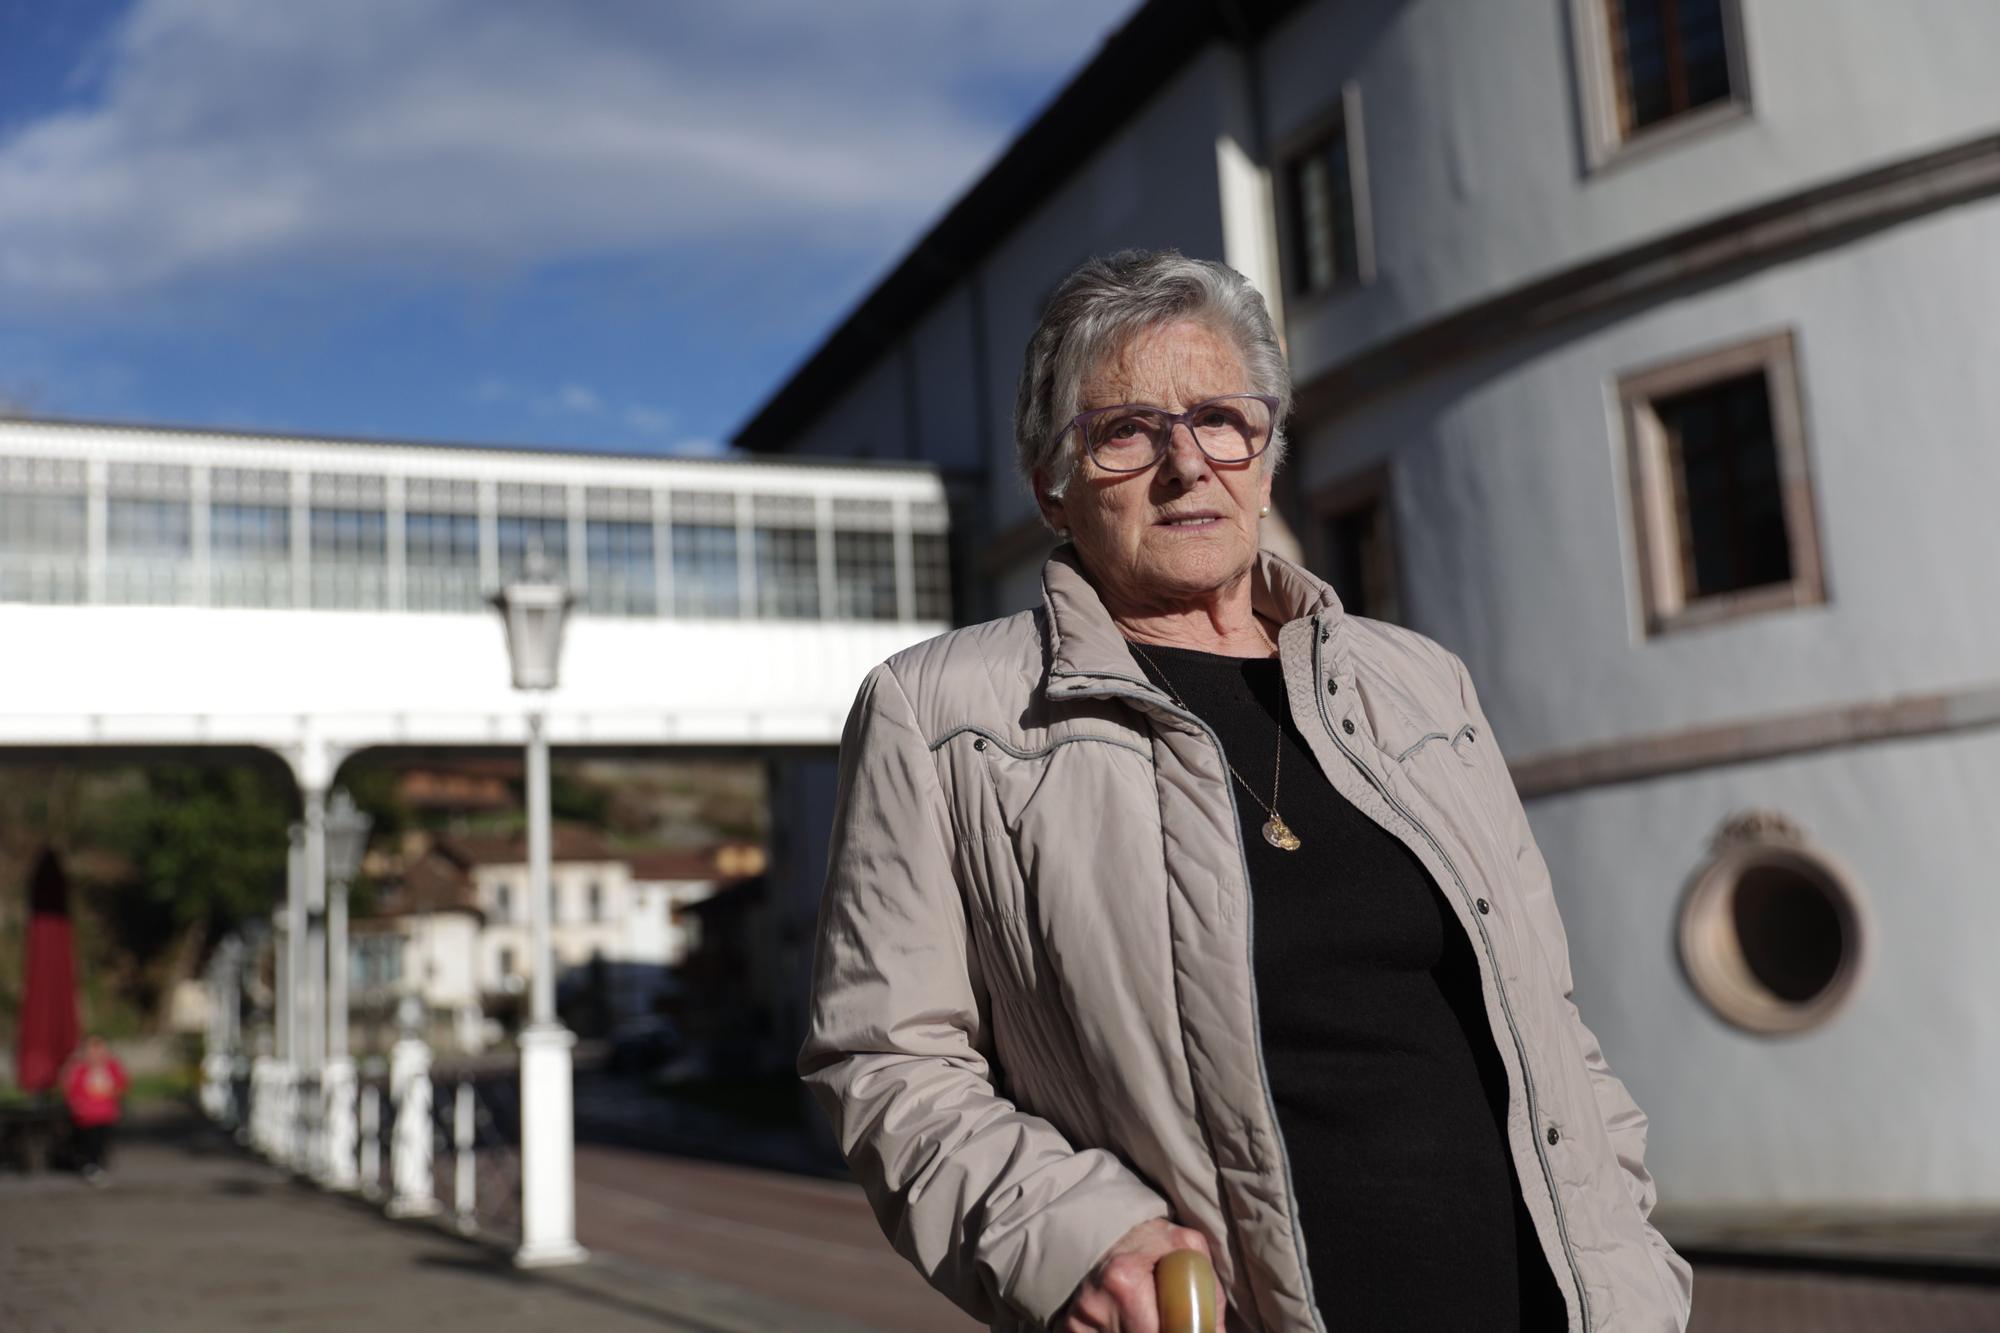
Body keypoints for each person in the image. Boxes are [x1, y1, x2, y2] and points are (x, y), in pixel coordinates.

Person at [800, 250, 1692, 1332]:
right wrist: (1073, 1235)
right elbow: (888, 1056)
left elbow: (1543, 1018)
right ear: (1051, 483)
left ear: (1264, 455)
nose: (1187, 465)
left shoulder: (1419, 684)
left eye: (1221, 418)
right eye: (1123, 430)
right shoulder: (941, 714)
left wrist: (1632, 1263)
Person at [64, 1035, 128, 1186]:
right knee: (89, 1142)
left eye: (99, 1050)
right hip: (87, 1115)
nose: (96, 1055)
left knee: (103, 1141)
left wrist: (116, 1093)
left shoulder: (111, 1067)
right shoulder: (79, 1069)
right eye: (92, 1051)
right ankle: (91, 1165)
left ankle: (98, 1164)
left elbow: (122, 1084)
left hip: (106, 1113)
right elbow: (72, 1090)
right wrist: (76, 1104)